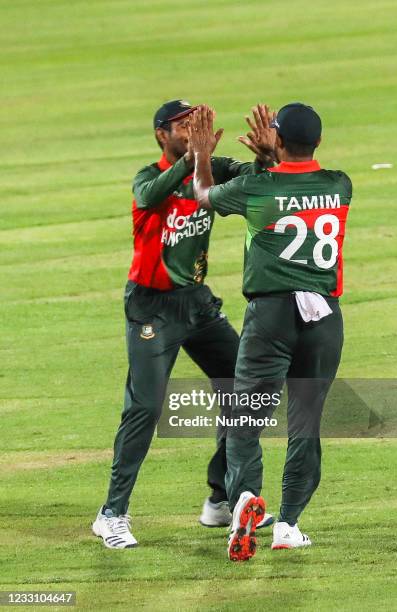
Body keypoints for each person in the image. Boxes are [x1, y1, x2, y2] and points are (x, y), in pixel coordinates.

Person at [92, 99, 273, 549]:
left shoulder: (212, 166)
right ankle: (111, 514)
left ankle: (221, 498)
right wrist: (192, 161)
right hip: (151, 308)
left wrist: (266, 156)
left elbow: (260, 183)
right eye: (180, 125)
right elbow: (148, 197)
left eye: (194, 122)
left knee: (246, 387)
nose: (191, 129)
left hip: (197, 303)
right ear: (161, 135)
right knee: (147, 407)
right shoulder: (148, 177)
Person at [190, 102, 352, 561]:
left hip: (271, 318)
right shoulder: (339, 185)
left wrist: (203, 153)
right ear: (318, 142)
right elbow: (294, 188)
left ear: (277, 139)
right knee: (305, 425)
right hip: (323, 319)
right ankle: (288, 524)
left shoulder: (255, 187)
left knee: (246, 417)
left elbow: (205, 194)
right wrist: (274, 158)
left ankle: (244, 497)